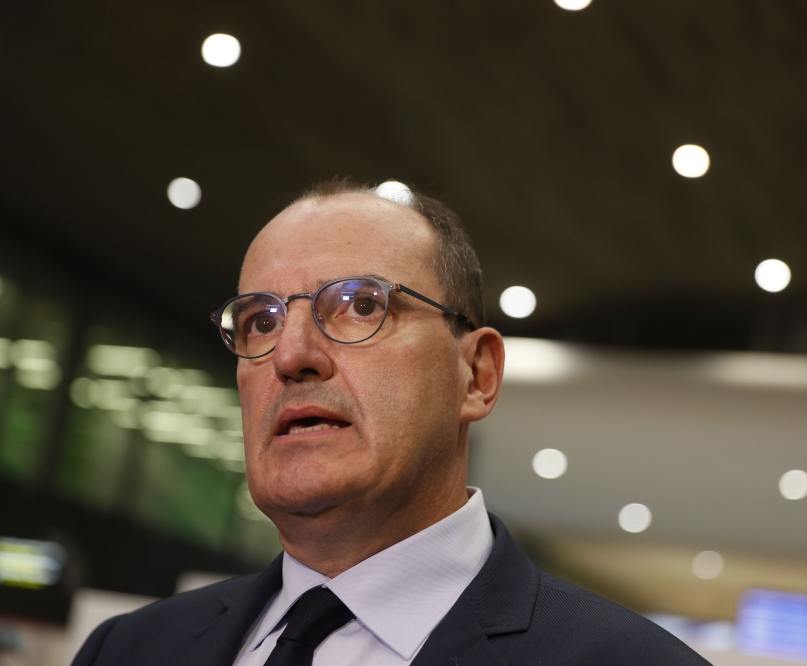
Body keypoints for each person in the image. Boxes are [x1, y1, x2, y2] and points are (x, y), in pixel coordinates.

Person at [71, 178, 710, 666]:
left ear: (477, 374)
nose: (291, 356)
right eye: (261, 321)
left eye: (358, 305)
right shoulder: (128, 651)